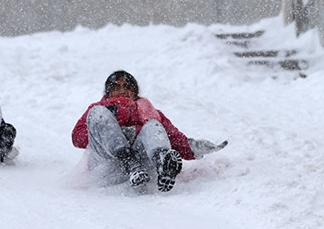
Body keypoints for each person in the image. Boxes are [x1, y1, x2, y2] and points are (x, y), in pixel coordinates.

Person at [71, 70, 227, 192]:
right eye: (116, 87)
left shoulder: (148, 110)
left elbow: (173, 137)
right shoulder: (100, 109)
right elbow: (78, 138)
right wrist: (111, 127)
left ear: (135, 92)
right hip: (107, 167)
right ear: (108, 92)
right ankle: (128, 161)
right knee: (98, 114)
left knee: (153, 125)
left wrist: (195, 147)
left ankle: (162, 163)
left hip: (143, 170)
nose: (122, 91)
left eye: (127, 87)